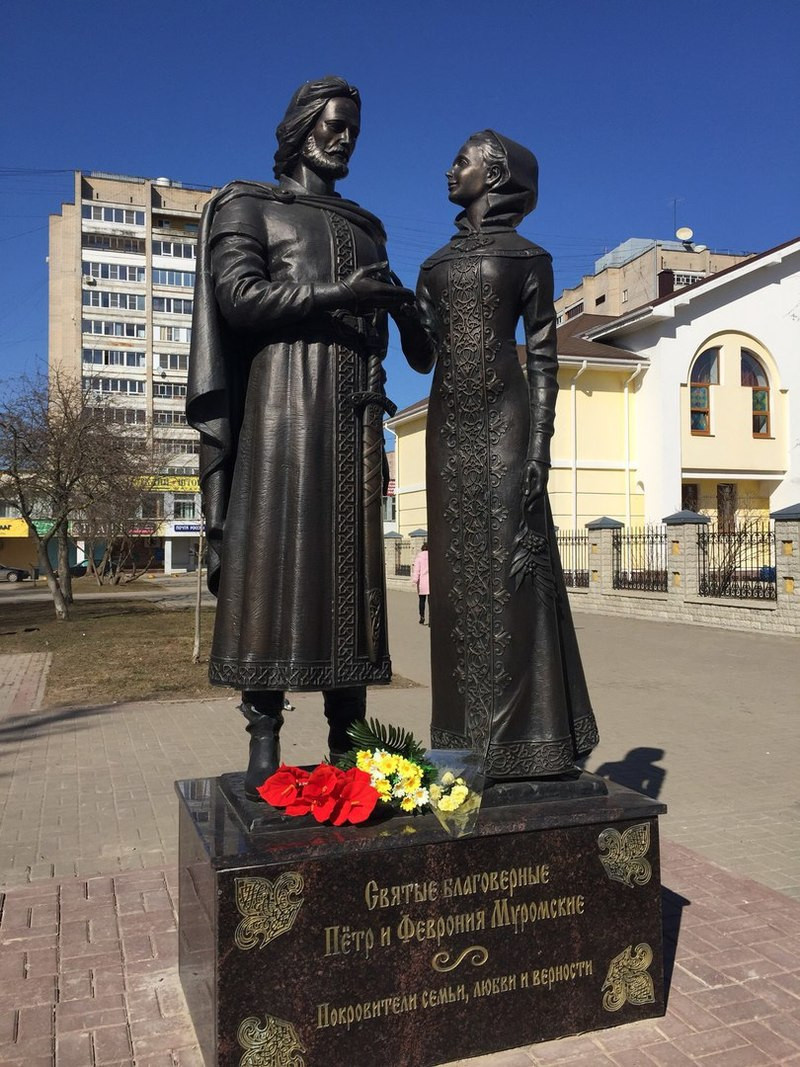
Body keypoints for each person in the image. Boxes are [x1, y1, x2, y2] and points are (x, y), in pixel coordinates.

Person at [187, 76, 413, 798]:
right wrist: (339, 295)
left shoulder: (365, 226)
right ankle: (264, 738)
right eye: (333, 124)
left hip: (351, 422)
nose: (344, 136)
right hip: (281, 417)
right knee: (275, 567)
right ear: (300, 127)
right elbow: (239, 298)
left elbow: (378, 344)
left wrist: (380, 426)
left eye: (353, 127)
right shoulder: (249, 205)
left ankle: (348, 742)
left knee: (350, 575)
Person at [396, 131, 599, 781]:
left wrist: (540, 443)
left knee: (515, 576)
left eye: (463, 160)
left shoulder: (529, 258)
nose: (450, 168)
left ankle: (532, 739)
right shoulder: (432, 266)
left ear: (497, 173)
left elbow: (543, 357)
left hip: (509, 426)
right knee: (456, 580)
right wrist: (403, 311)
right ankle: (462, 738)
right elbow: (423, 357)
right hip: (448, 429)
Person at [411, 541, 430, 624]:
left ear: (422, 549)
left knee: (422, 601)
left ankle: (422, 617)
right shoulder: (432, 557)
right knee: (431, 602)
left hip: (422, 583)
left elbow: (417, 571)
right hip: (430, 583)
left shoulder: (418, 558)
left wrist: (414, 580)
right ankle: (431, 619)